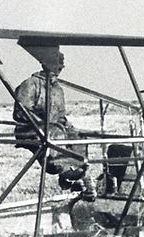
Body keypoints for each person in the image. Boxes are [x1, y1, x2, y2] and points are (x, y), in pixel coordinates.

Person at [13, 52, 95, 200]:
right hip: (31, 130)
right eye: (56, 65)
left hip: (55, 128)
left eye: (61, 66)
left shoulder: (57, 89)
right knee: (55, 140)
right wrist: (44, 125)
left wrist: (70, 128)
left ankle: (78, 175)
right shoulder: (31, 84)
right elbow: (21, 112)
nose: (59, 69)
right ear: (45, 64)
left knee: (78, 137)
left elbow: (60, 116)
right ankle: (63, 171)